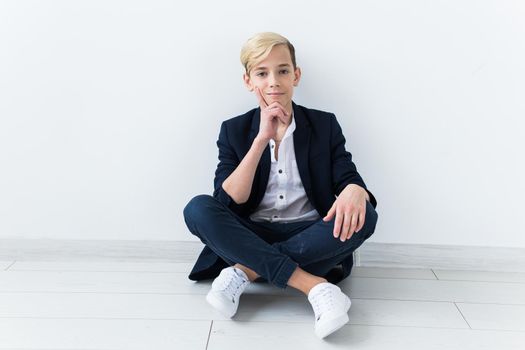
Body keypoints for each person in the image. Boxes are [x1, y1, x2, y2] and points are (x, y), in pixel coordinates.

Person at [183, 32, 378, 339]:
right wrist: (261, 139)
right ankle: (312, 285)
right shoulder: (234, 130)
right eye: (262, 73)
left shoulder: (324, 124)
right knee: (197, 208)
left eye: (283, 70)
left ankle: (244, 271)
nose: (273, 81)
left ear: (295, 75)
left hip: (310, 236)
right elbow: (226, 201)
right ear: (249, 81)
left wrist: (356, 189)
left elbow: (346, 174)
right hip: (249, 234)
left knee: (366, 212)